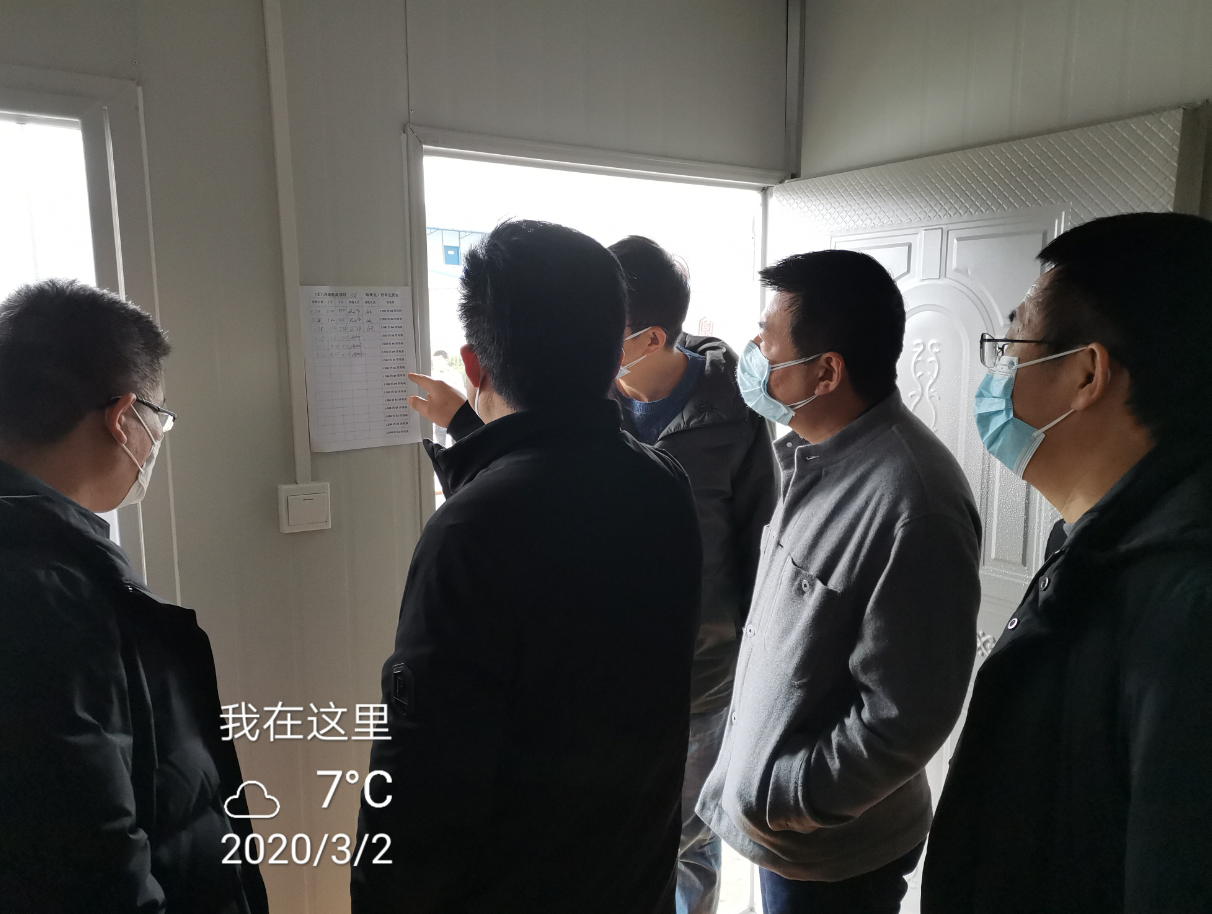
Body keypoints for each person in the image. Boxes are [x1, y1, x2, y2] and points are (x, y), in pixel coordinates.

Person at [410, 234, 778, 914]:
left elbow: (761, 552)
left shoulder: (733, 418)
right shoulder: (602, 422)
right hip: (596, 681)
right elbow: (535, 480)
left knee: (685, 842)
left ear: (648, 337)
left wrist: (754, 682)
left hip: (697, 681)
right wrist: (464, 423)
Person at [352, 220, 703, 914]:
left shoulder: (469, 532)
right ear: (616, 355)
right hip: (634, 884)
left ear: (474, 364)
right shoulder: (663, 485)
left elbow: (420, 781)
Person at [923, 212, 1212, 913]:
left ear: (1086, 372)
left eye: (1012, 343)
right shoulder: (1096, 544)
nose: (997, 374)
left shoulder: (1188, 605)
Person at [695, 250, 982, 914]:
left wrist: (789, 796)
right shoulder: (810, 457)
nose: (752, 357)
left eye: (766, 344)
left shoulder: (914, 499)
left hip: (832, 855)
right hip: (788, 837)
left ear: (825, 372)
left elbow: (904, 718)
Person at [0, 280, 267, 913]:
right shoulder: (49, 599)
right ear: (123, 419)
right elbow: (91, 866)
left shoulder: (36, 559)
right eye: (157, 418)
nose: (155, 436)